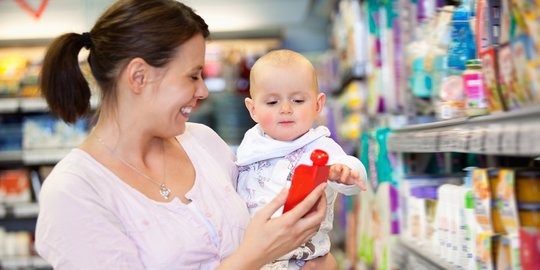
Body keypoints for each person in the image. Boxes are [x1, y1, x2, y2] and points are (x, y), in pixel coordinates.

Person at [34, 1, 334, 269]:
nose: (202, 91)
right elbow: (254, 251)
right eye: (193, 76)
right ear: (139, 76)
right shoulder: (74, 192)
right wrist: (253, 256)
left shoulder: (203, 142)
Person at [236, 49, 368, 270]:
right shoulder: (251, 145)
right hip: (255, 258)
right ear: (253, 109)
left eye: (297, 100)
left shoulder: (319, 145)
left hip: (303, 259)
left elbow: (352, 174)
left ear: (317, 105)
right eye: (272, 103)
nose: (286, 109)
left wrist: (344, 171)